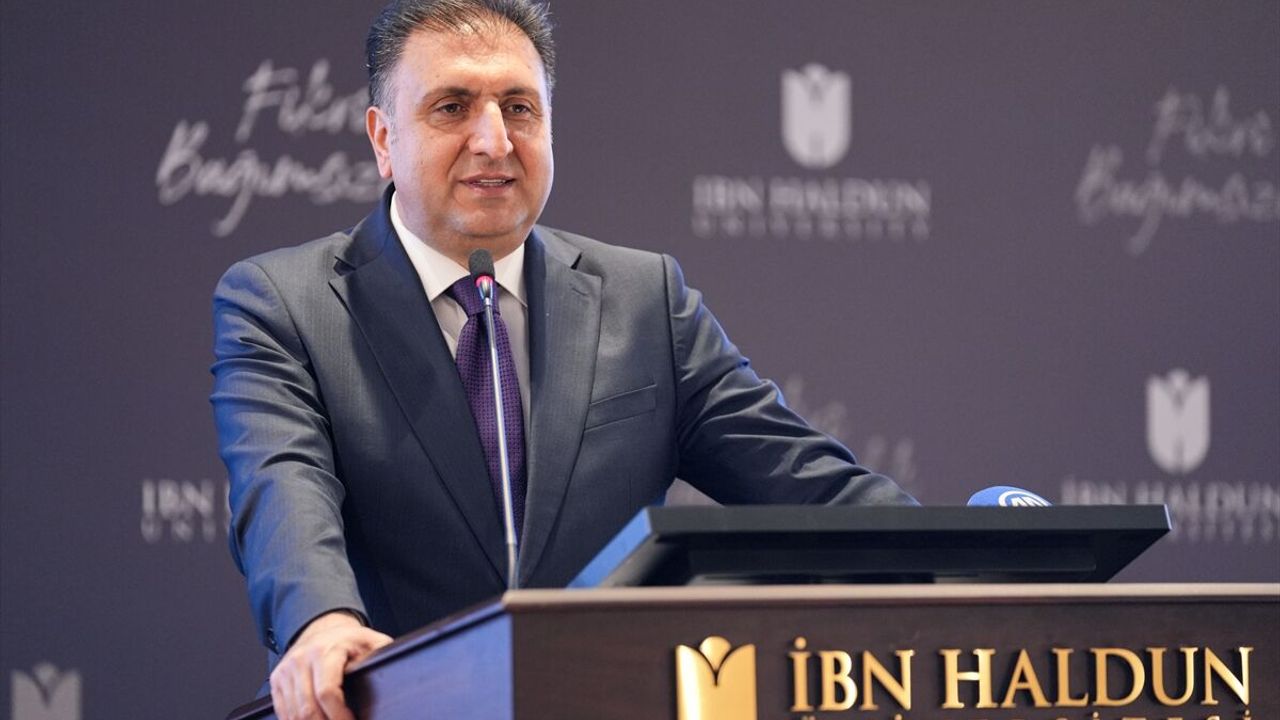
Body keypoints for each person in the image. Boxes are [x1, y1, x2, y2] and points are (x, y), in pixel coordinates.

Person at [211, 1, 917, 717]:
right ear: (383, 139)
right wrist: (322, 622)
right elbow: (283, 493)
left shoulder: (644, 301)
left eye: (519, 109)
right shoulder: (284, 303)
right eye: (453, 107)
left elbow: (813, 493)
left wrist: (971, 554)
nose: (494, 141)